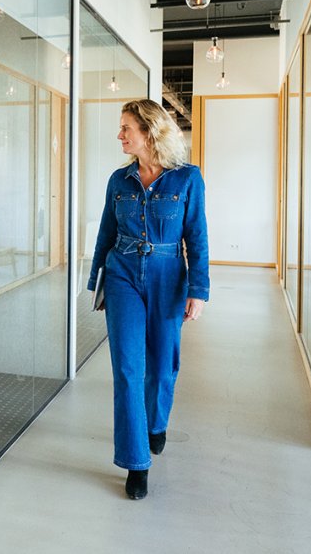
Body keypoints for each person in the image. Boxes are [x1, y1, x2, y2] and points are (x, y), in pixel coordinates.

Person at [86, 99, 209, 500]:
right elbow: (105, 234)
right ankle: (136, 461)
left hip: (168, 275)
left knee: (163, 366)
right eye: (121, 128)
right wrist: (97, 283)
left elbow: (198, 237)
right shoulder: (118, 181)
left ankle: (156, 423)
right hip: (122, 274)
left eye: (126, 128)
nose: (120, 135)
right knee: (126, 369)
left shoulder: (188, 179)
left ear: (149, 131)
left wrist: (198, 290)